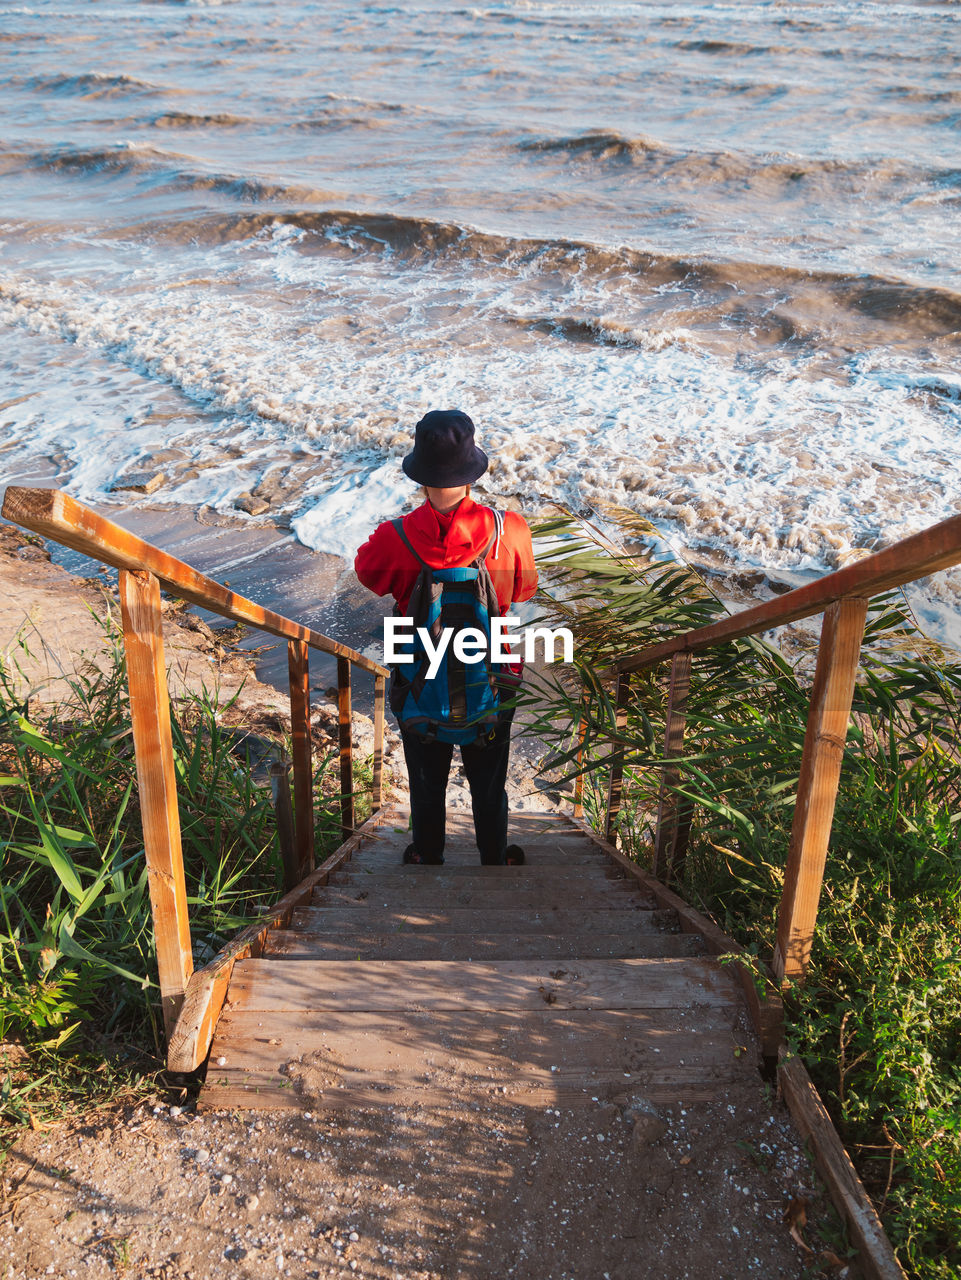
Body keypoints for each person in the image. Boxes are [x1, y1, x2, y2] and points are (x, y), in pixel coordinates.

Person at [354, 409, 538, 866]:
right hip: (492, 668)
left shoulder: (393, 535)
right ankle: (494, 854)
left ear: (421, 475)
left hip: (416, 664)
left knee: (425, 774)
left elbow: (368, 575)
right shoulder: (508, 528)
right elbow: (523, 590)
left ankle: (426, 851)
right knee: (489, 774)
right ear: (472, 470)